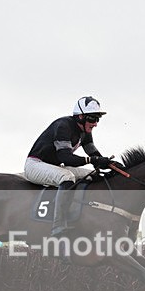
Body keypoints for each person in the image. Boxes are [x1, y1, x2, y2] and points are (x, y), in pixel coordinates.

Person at [24, 96, 113, 236]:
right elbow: (65, 158)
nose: (95, 123)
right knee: (67, 177)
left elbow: (93, 153)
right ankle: (58, 225)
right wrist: (93, 159)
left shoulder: (85, 132)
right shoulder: (63, 126)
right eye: (92, 119)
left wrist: (109, 164)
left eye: (97, 119)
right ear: (80, 117)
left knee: (95, 175)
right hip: (35, 165)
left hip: (54, 166)